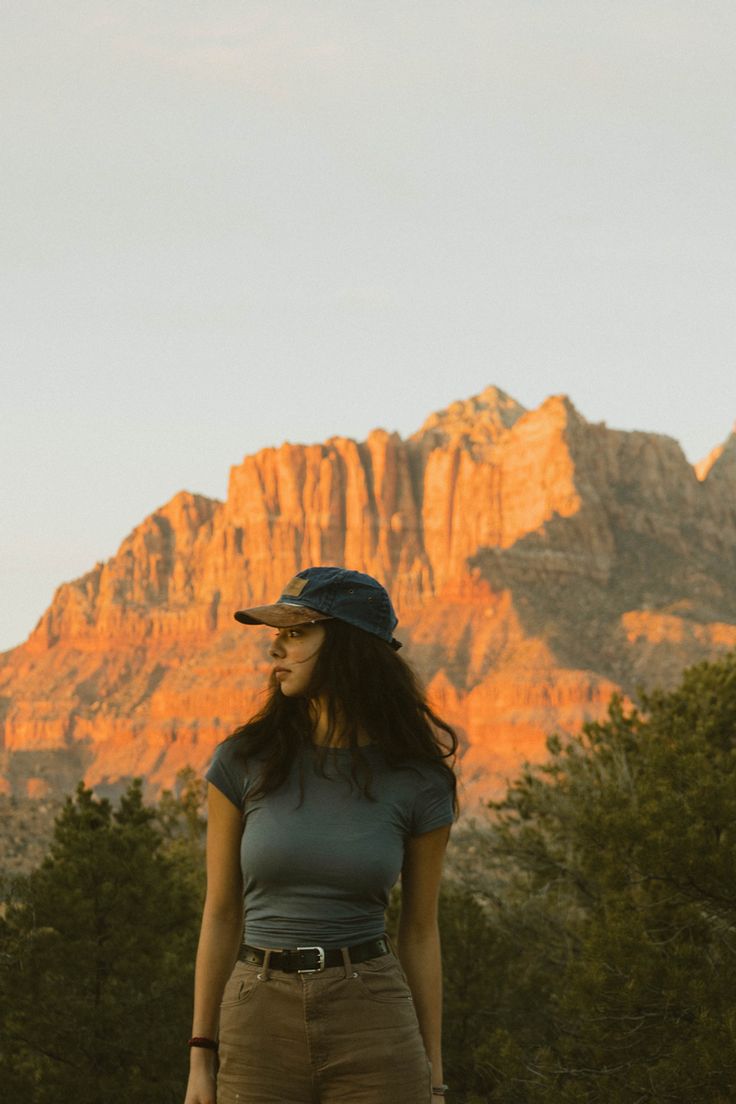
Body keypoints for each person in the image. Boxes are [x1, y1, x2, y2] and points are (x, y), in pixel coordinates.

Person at [184, 566, 458, 1104]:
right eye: (277, 636)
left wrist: (435, 1073)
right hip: (257, 1016)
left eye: (296, 634)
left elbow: (421, 932)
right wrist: (200, 1057)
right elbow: (220, 913)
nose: (275, 652)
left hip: (373, 1017)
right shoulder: (243, 761)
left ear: (348, 647)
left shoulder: (419, 780)